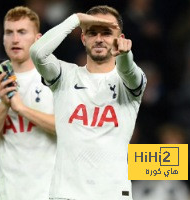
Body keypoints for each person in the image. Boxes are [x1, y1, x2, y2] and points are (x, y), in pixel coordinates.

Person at [30, 5, 147, 199]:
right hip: (66, 194)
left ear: (121, 39)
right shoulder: (65, 76)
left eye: (107, 33)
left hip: (112, 194)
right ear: (83, 38)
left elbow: (128, 71)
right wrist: (75, 19)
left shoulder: (130, 83)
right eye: (92, 33)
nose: (99, 39)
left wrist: (125, 55)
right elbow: (37, 53)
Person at [0, 6, 56, 200]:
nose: (15, 39)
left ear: (38, 39)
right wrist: (4, 105)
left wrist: (21, 109)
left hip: (51, 193)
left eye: (22, 32)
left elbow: (67, 128)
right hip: (10, 193)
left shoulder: (55, 74)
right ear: (2, 39)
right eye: (9, 32)